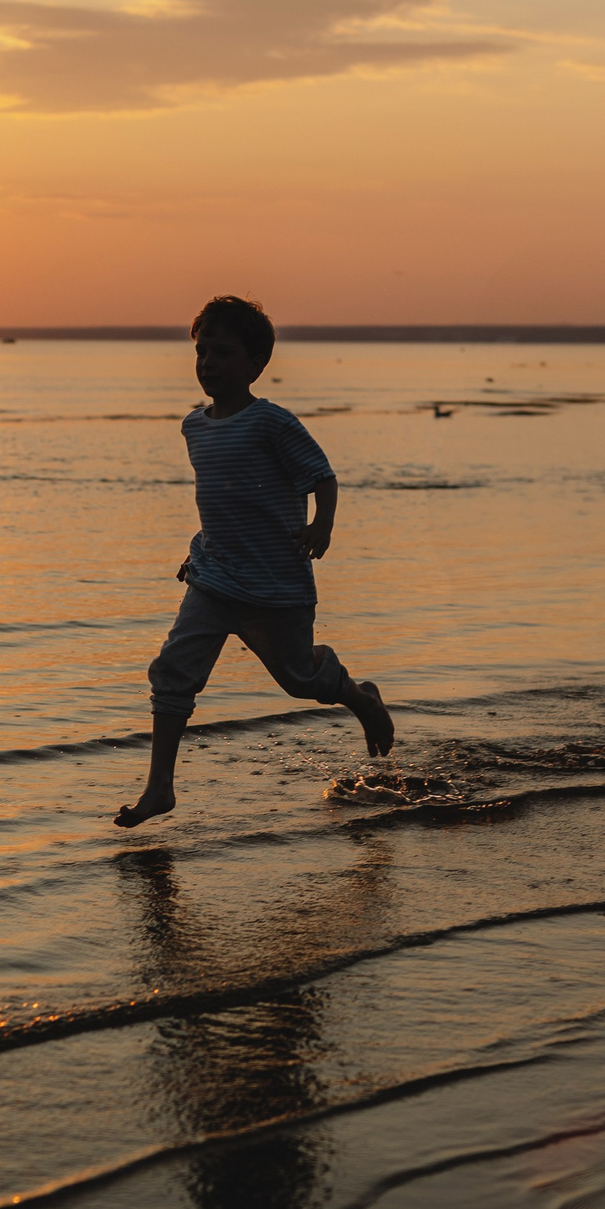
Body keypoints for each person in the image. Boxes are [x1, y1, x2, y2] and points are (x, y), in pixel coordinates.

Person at [117, 296, 393, 826]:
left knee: (300, 680)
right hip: (213, 579)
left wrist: (322, 525)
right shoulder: (194, 426)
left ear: (255, 364)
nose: (207, 363)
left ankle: (361, 698)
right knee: (172, 672)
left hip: (274, 585)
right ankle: (159, 788)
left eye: (222, 353)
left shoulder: (271, 422)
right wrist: (200, 553)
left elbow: (322, 476)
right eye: (201, 352)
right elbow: (221, 499)